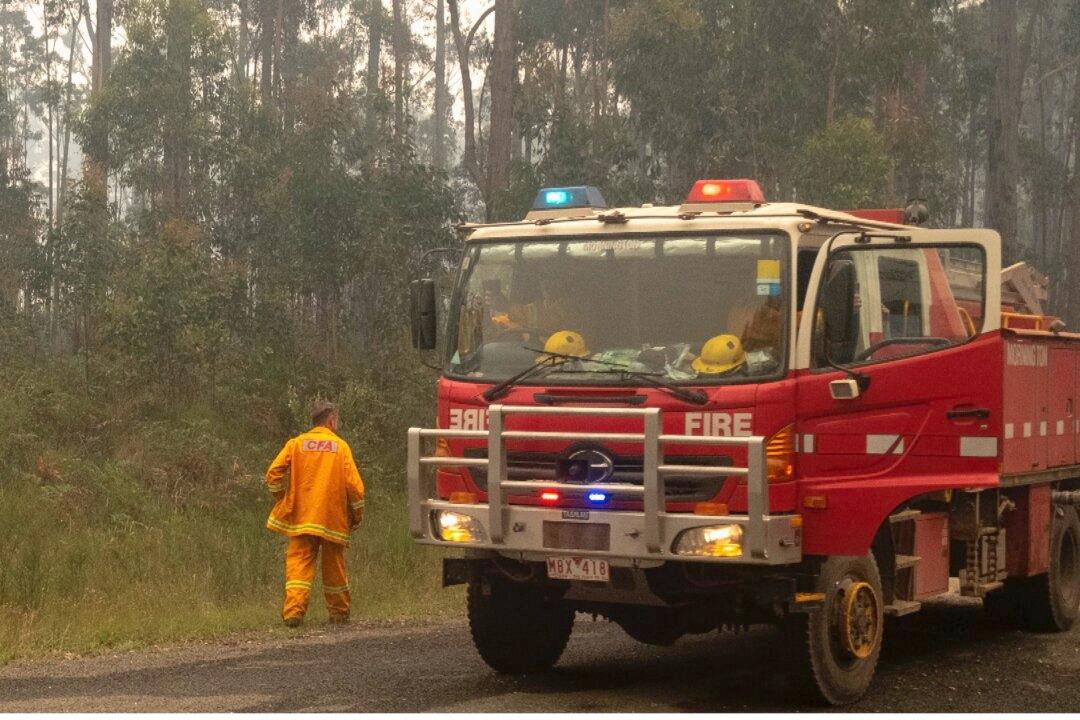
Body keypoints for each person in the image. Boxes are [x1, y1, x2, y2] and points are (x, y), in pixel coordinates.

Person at [265, 400, 365, 627]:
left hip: (301, 518)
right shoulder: (340, 447)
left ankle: (293, 614)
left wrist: (284, 498)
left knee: (298, 567)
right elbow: (355, 488)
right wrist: (356, 516)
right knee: (334, 569)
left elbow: (273, 474)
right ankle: (339, 614)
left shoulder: (297, 444)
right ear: (331, 421)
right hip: (332, 519)